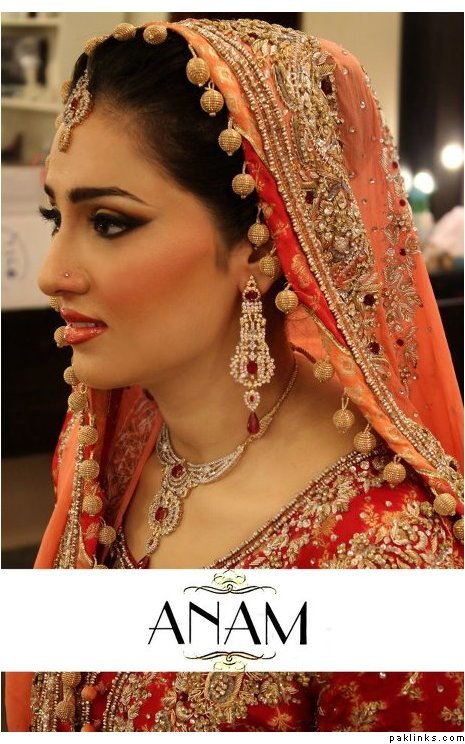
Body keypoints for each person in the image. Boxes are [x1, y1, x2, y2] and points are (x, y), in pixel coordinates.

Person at [6, 18, 464, 733]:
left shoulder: (385, 558)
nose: (51, 272)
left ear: (259, 240)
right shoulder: (108, 444)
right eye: (53, 216)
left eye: (110, 222)